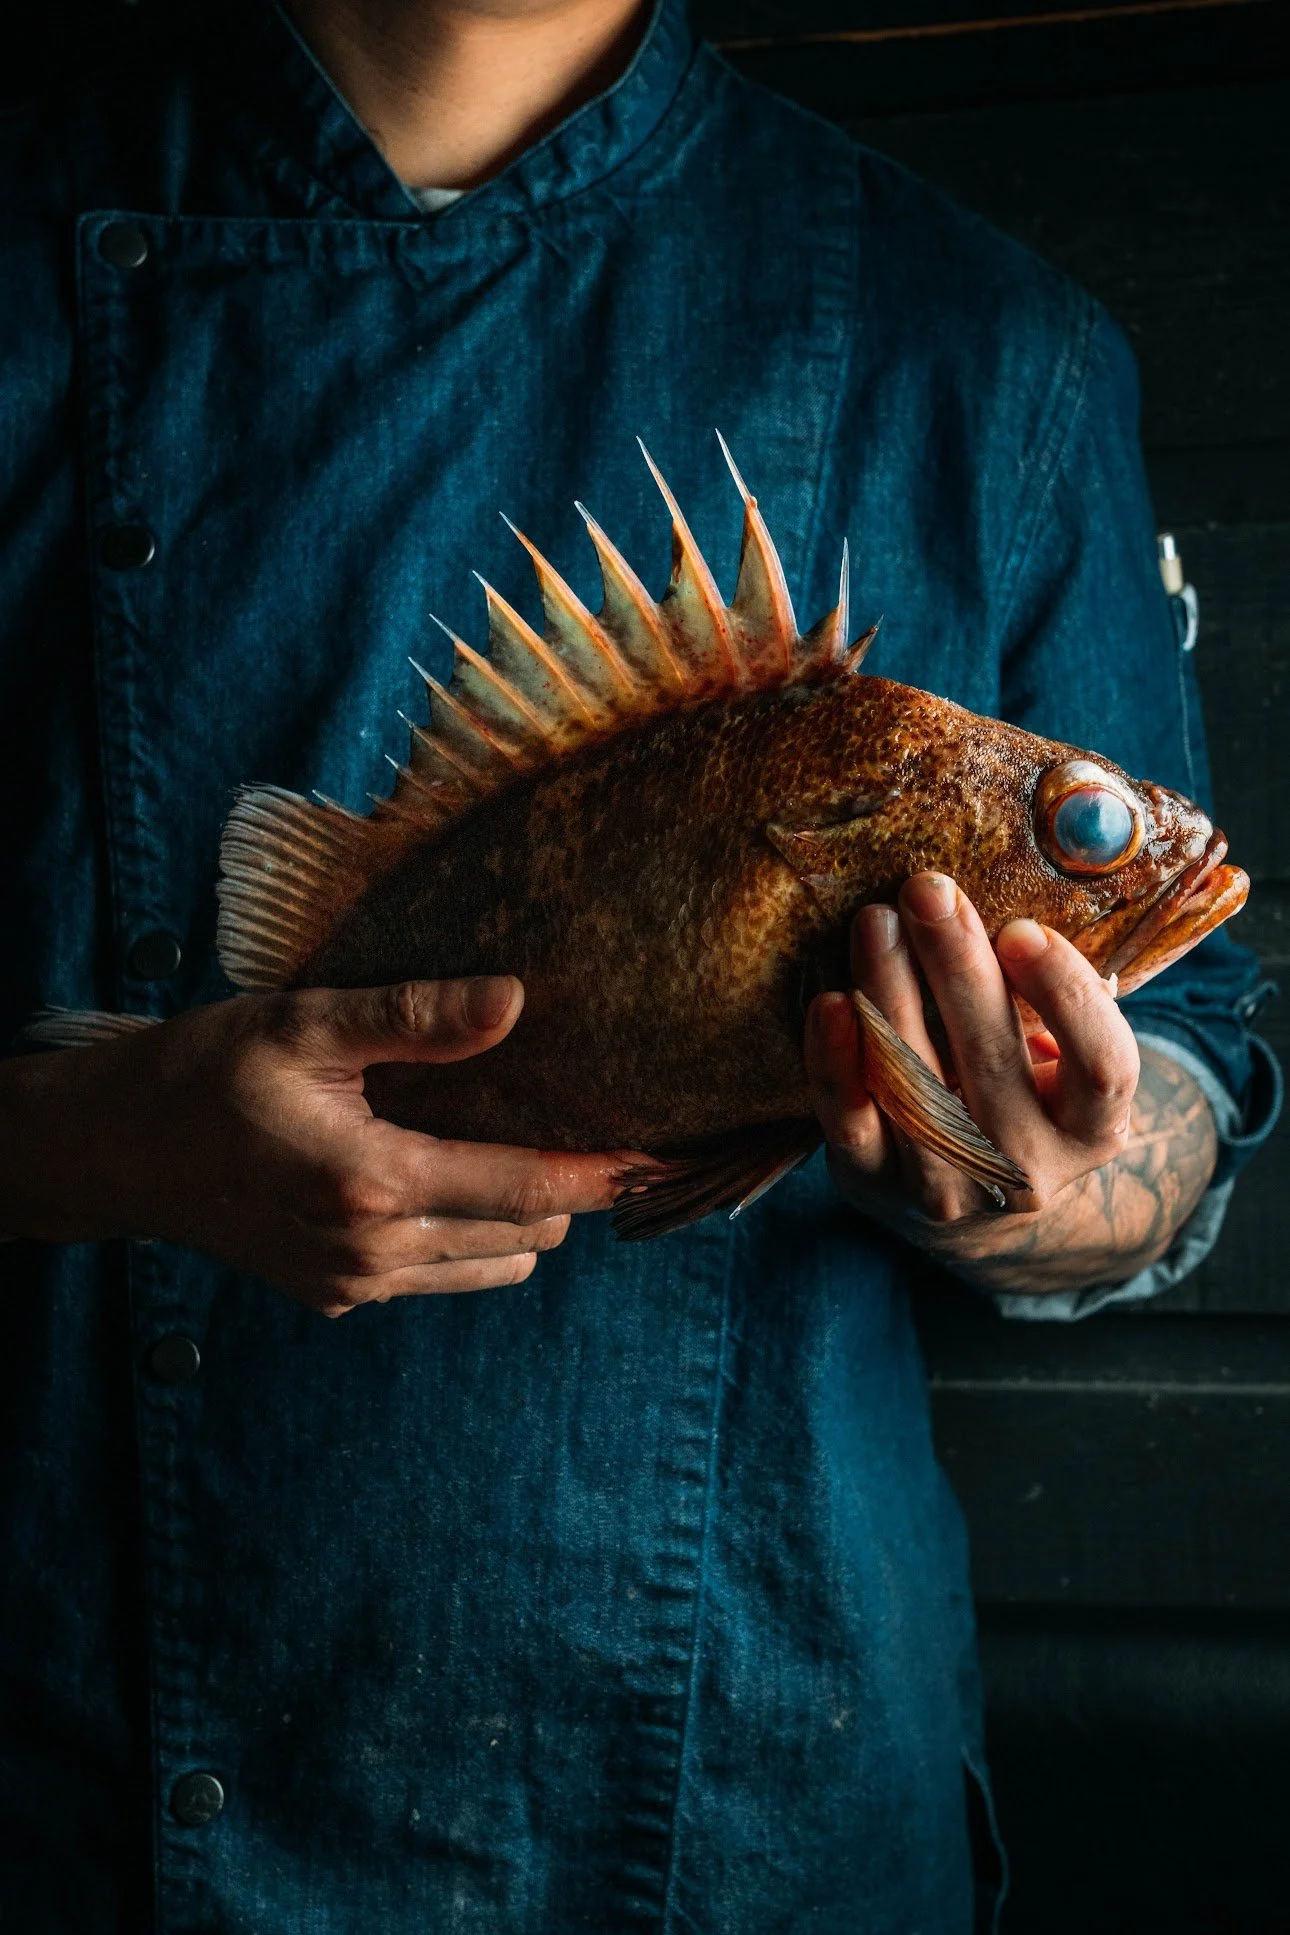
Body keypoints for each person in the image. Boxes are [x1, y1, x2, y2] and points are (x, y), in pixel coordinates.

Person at [0, 0, 1278, 1927]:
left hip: (734, 1811)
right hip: (55, 1772)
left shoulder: (991, 352)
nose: (1112, 844)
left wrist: (1061, 1179)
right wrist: (83, 1142)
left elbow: (1183, 1076)